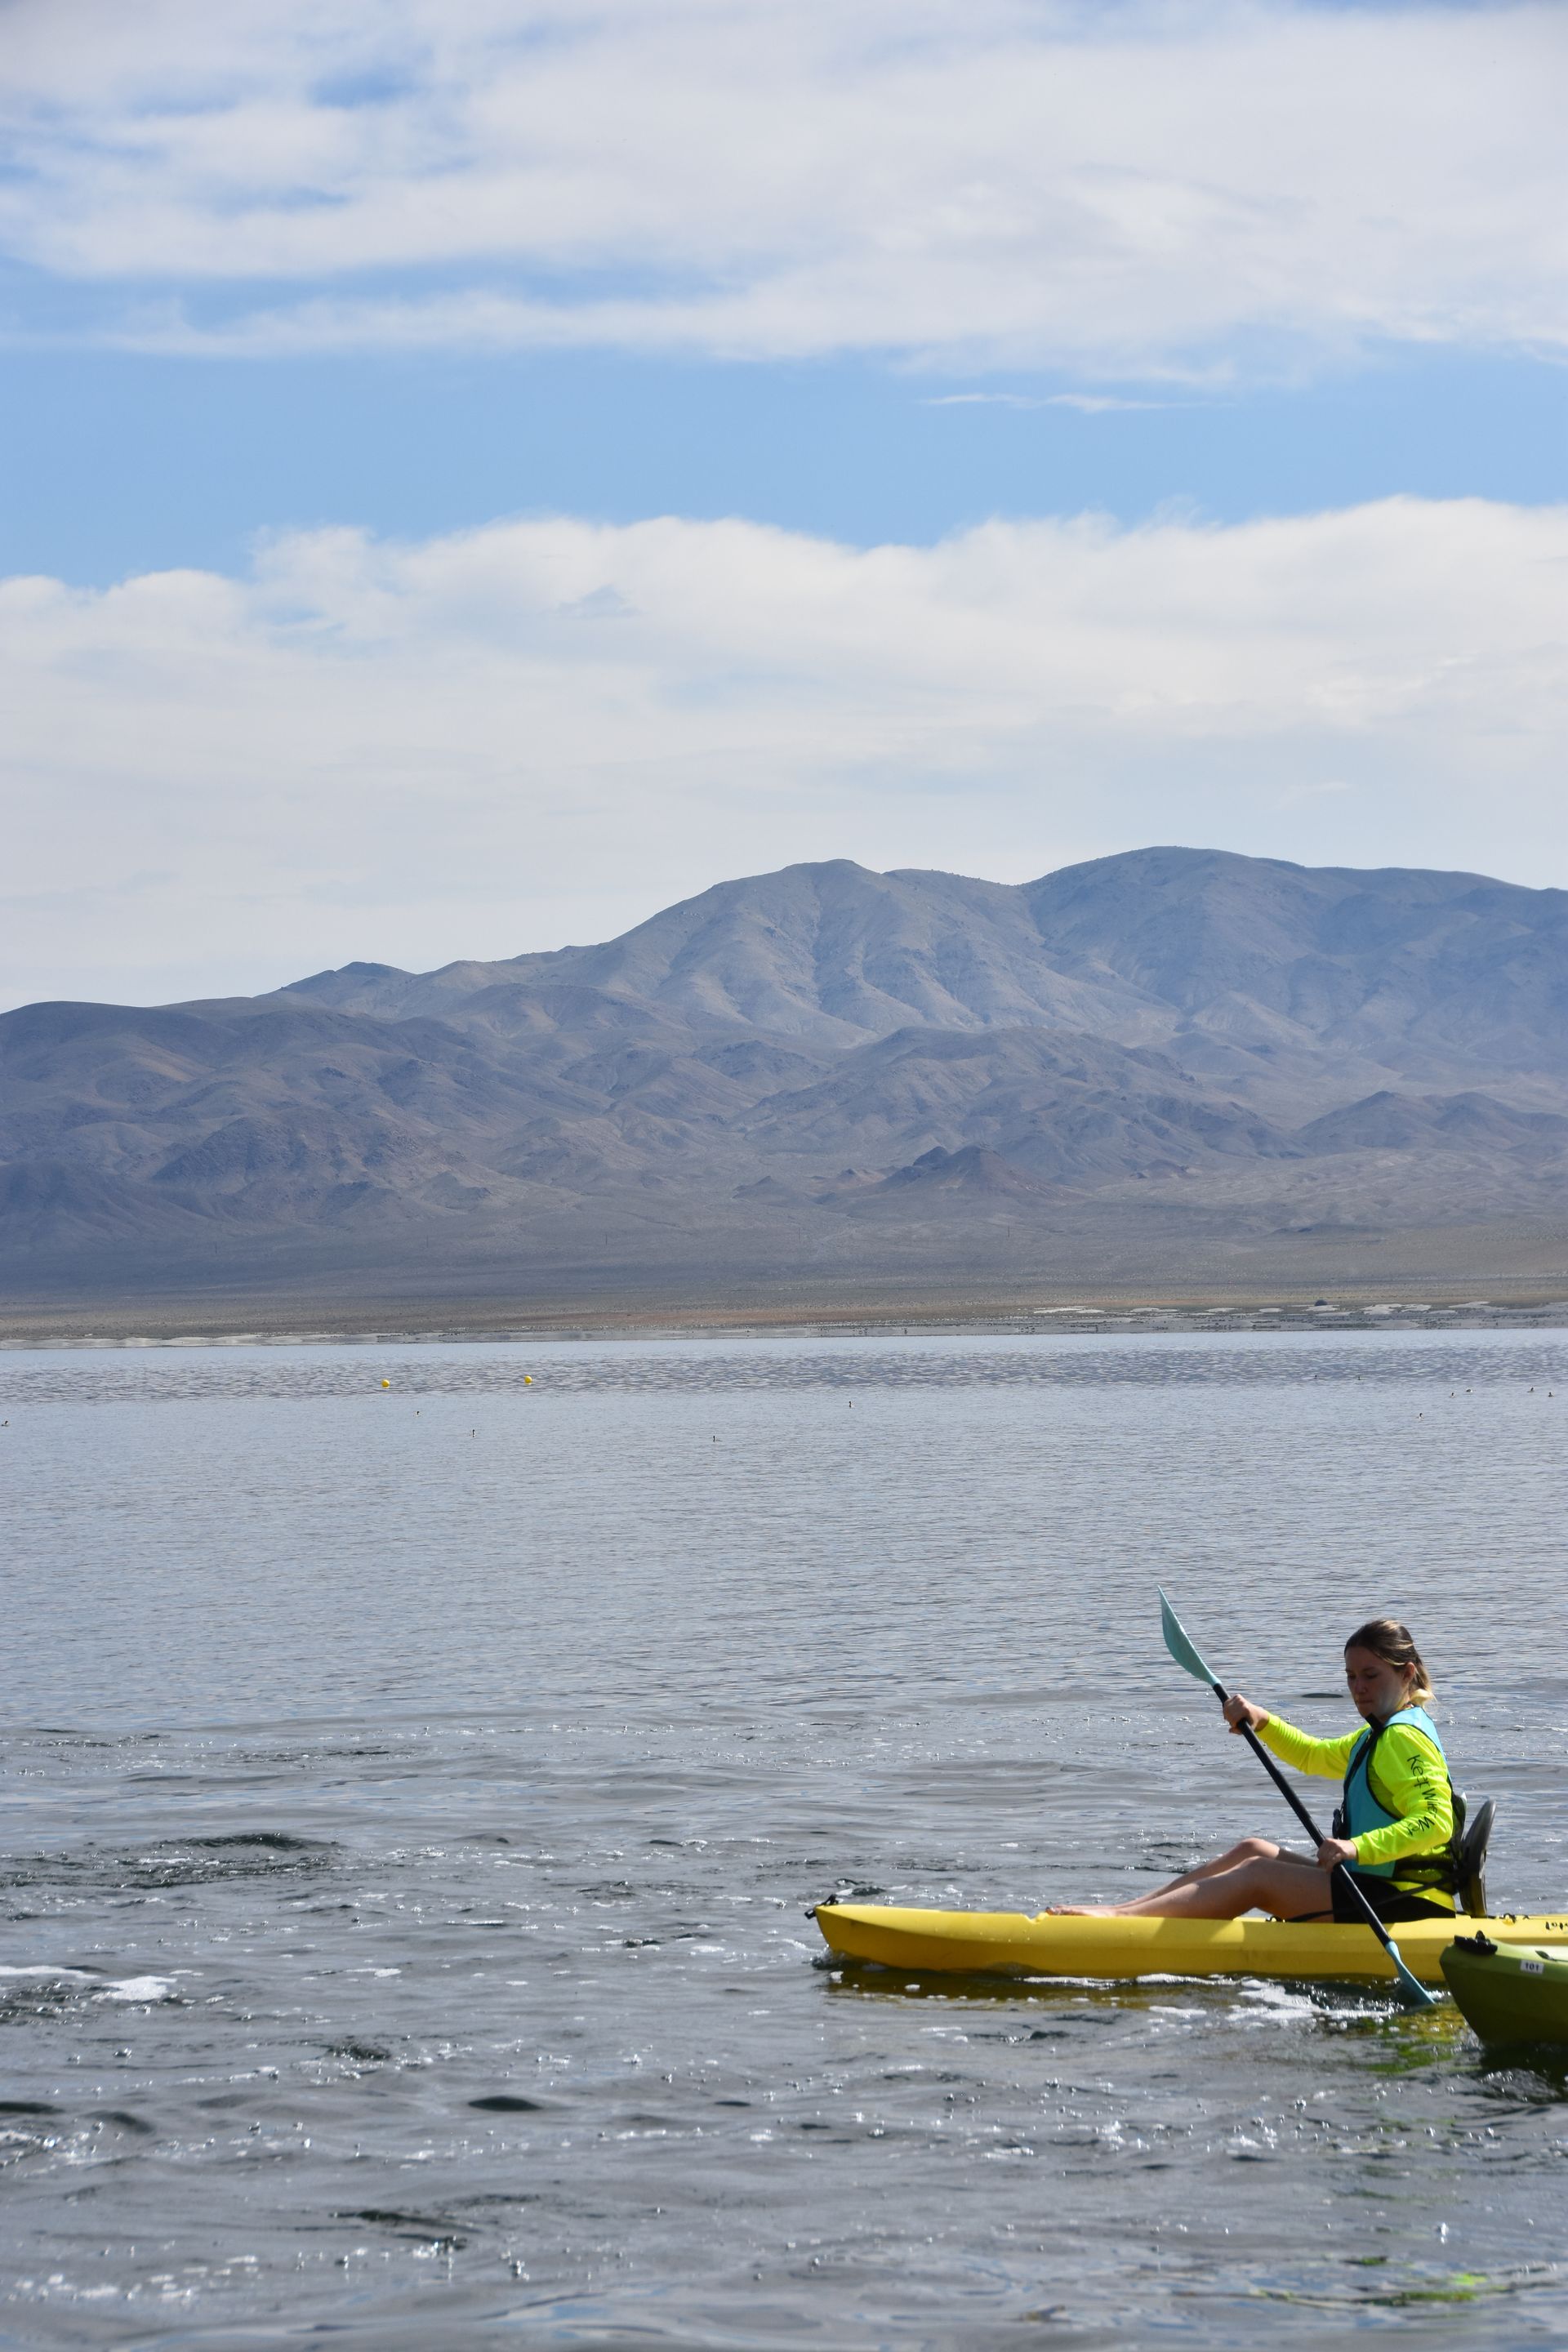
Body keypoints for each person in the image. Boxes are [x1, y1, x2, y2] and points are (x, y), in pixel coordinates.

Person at [1049, 1619, 1458, 1921]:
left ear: (1407, 1674)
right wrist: (1262, 1720)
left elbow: (1436, 1822)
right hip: (1374, 1886)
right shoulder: (1378, 1734)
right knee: (1253, 1849)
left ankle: (1124, 1924)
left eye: (1371, 1675)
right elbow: (1313, 1756)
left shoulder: (1403, 1738)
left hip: (1403, 1901)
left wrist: (1354, 1848)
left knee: (1258, 1875)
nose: (1358, 1688)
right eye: (1351, 1677)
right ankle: (1124, 1912)